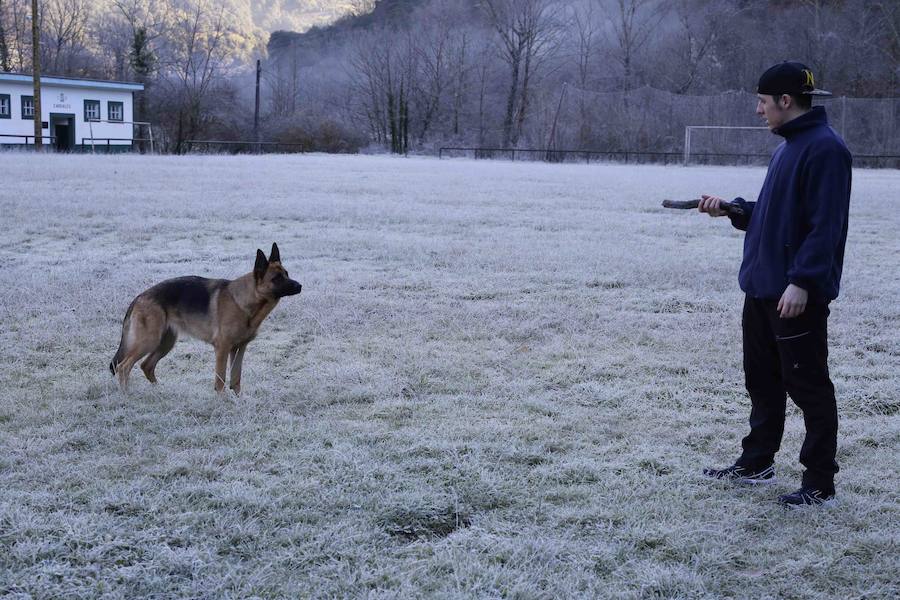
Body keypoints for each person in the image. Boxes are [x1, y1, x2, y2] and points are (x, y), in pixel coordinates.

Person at [699, 61, 852, 507]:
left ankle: (820, 483)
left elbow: (826, 227)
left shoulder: (825, 149)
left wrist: (803, 282)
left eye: (763, 102)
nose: (758, 110)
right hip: (763, 289)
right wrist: (733, 209)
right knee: (762, 381)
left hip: (794, 295)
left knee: (808, 386)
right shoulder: (788, 146)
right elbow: (776, 215)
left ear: (786, 101)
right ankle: (757, 462)